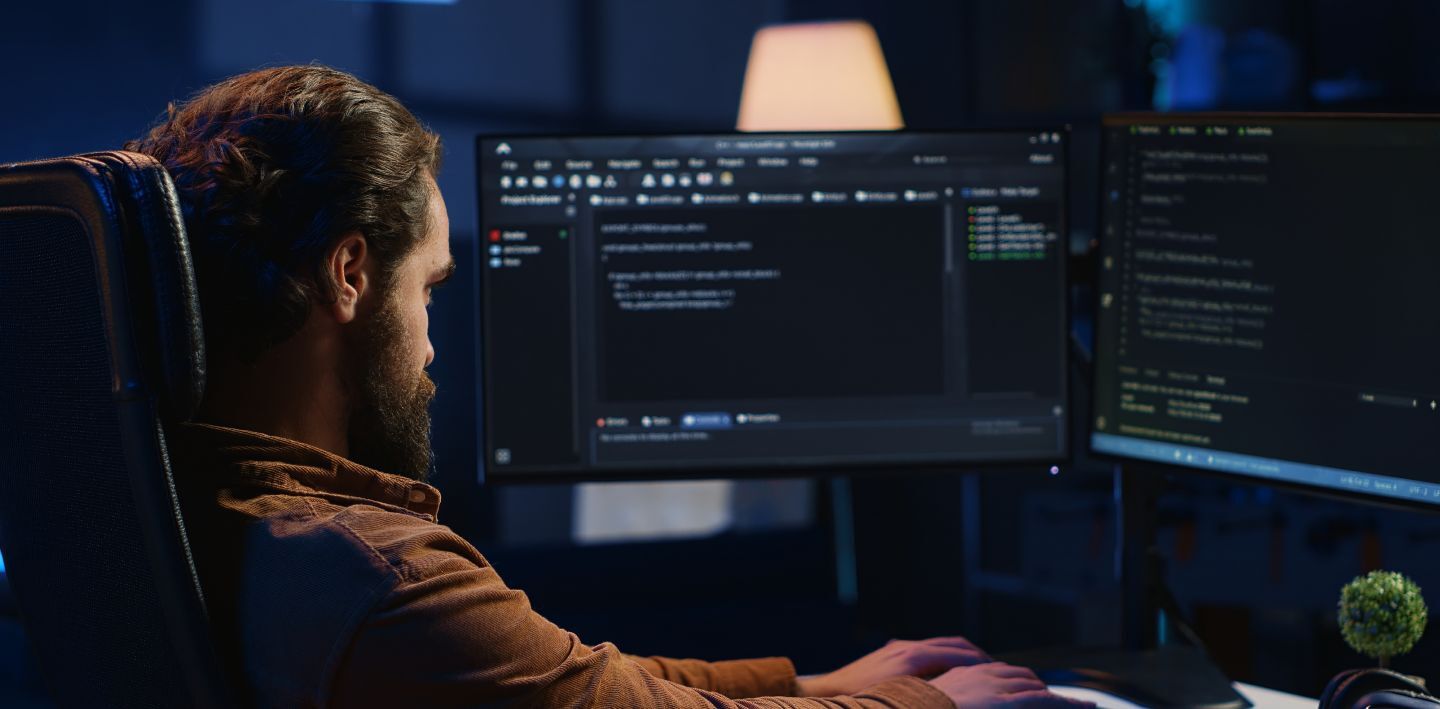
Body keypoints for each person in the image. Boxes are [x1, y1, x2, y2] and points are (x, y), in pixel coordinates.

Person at [129, 65, 1091, 708]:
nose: (431, 346)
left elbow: (582, 681)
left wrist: (811, 680)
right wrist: (926, 700)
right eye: (430, 289)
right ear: (349, 275)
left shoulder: (191, 498)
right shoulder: (370, 579)